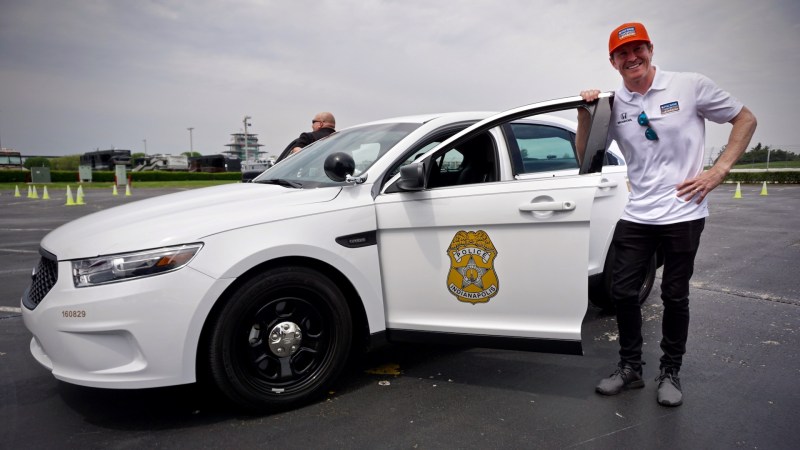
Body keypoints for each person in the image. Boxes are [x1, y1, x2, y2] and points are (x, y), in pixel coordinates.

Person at [577, 22, 757, 407]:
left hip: (684, 211)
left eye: (637, 49)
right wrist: (584, 115)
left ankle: (670, 371)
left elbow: (745, 119)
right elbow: (585, 158)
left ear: (650, 49)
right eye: (622, 53)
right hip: (638, 212)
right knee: (623, 291)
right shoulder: (613, 104)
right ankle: (630, 368)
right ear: (613, 61)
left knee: (675, 295)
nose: (632, 58)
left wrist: (717, 171)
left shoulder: (689, 85)